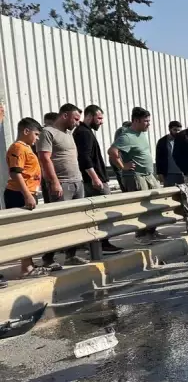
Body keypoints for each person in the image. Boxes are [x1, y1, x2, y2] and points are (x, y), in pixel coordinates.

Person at [5, 118, 59, 276]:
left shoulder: (27, 148)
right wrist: (27, 195)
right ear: (26, 131)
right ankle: (26, 267)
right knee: (23, 231)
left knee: (28, 230)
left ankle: (29, 265)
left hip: (28, 193)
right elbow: (16, 172)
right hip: (19, 194)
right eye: (36, 135)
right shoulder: (18, 147)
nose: (37, 139)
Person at [38, 103, 89, 266]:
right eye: (75, 118)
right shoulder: (48, 132)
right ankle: (48, 257)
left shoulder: (68, 133)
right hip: (61, 183)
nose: (77, 122)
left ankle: (71, 255)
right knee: (59, 223)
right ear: (64, 115)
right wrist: (54, 182)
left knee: (76, 222)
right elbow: (44, 158)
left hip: (76, 182)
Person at [73, 104, 123, 254]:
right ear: (89, 116)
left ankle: (99, 244)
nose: (101, 122)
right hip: (94, 181)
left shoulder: (84, 131)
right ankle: (102, 244)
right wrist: (95, 178)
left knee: (98, 213)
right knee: (103, 212)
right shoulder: (84, 133)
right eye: (99, 118)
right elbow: (84, 157)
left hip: (93, 179)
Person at [108, 107, 163, 244]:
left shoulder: (141, 134)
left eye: (149, 121)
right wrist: (123, 166)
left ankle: (151, 230)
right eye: (146, 121)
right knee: (141, 207)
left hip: (149, 175)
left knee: (156, 203)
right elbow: (112, 152)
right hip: (136, 176)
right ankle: (141, 234)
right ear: (136, 120)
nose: (149, 124)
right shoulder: (127, 136)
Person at [155, 121, 185, 186]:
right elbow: (158, 158)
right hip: (169, 174)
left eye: (179, 130)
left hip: (183, 173)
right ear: (170, 129)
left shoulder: (184, 140)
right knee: (170, 193)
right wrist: (159, 173)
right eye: (175, 130)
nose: (177, 132)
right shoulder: (162, 141)